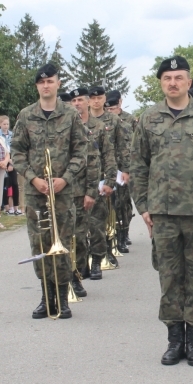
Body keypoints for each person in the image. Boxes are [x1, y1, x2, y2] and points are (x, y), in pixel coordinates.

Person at [131, 55, 193, 367]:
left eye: (179, 77)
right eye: (167, 78)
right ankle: (175, 340)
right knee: (169, 278)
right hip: (162, 213)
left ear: (188, 82)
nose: (173, 83)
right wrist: (144, 208)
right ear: (161, 83)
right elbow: (138, 166)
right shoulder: (149, 119)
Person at [12, 63, 87, 320]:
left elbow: (81, 151)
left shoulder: (70, 114)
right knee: (40, 244)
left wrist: (65, 179)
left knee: (63, 244)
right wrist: (33, 179)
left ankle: (63, 298)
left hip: (63, 192)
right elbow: (17, 152)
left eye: (50, 81)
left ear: (58, 84)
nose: (46, 85)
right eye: (41, 82)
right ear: (37, 86)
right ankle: (46, 297)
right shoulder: (25, 115)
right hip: (36, 193)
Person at [69, 87, 117, 282]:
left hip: (95, 184)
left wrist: (110, 181)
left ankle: (97, 260)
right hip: (73, 186)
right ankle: (80, 268)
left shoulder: (99, 127)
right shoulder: (68, 127)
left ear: (88, 102)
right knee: (77, 232)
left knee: (96, 226)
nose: (77, 104)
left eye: (80, 100)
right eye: (73, 101)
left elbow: (108, 154)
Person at [88, 86, 131, 258]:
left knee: (117, 205)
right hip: (91, 172)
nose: (96, 101)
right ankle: (96, 250)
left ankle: (118, 237)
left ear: (104, 99)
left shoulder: (113, 120)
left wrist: (126, 169)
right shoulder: (81, 119)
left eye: (99, 97)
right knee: (94, 213)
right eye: (93, 98)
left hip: (113, 169)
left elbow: (122, 146)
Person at [105, 90, 137, 248]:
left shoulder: (129, 120)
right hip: (108, 168)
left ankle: (124, 233)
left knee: (123, 202)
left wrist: (129, 168)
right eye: (108, 109)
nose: (111, 111)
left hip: (123, 167)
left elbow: (134, 144)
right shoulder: (104, 121)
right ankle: (113, 234)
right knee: (110, 203)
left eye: (113, 108)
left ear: (120, 104)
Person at [0, 116, 21, 216]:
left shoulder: (12, 135)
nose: (6, 126)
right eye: (4, 124)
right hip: (2, 160)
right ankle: (7, 207)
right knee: (5, 185)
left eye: (7, 124)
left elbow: (15, 148)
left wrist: (12, 162)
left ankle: (16, 207)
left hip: (12, 160)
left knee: (15, 184)